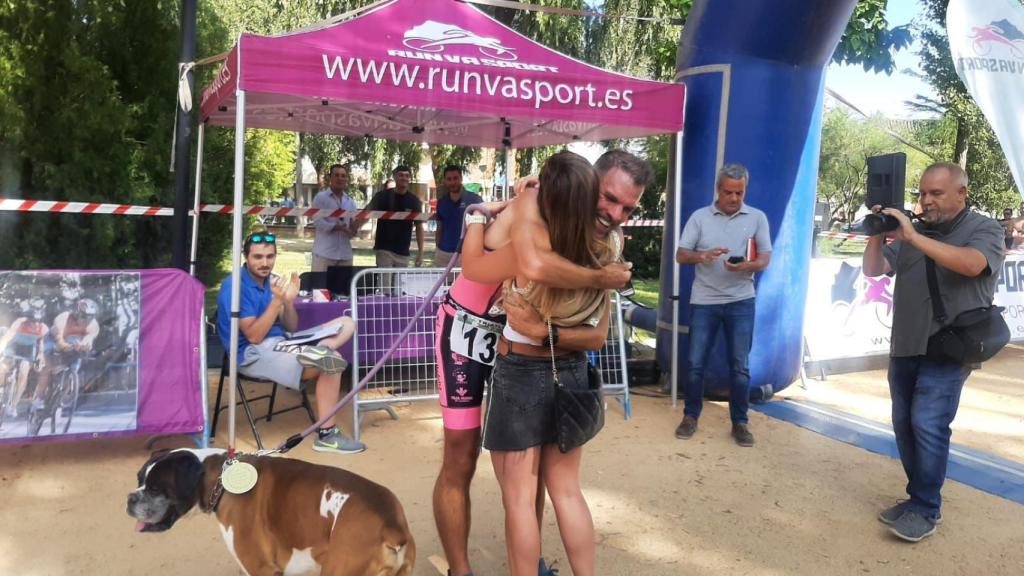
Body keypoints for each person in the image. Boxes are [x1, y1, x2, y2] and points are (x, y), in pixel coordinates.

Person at [431, 150, 649, 576]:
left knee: (527, 471)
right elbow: (522, 263)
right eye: (609, 198)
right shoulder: (539, 202)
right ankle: (461, 570)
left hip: (524, 344)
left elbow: (595, 330)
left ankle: (529, 563)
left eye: (628, 207)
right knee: (462, 456)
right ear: (589, 181)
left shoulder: (594, 235)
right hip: (469, 329)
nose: (616, 213)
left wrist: (480, 215)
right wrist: (482, 214)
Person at [862, 163, 1005, 542]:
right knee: (904, 425)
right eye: (923, 193)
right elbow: (873, 270)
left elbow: (973, 264)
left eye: (936, 194)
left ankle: (927, 507)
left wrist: (912, 236)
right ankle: (918, 497)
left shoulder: (985, 230)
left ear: (962, 193)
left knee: (927, 423)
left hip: (949, 347)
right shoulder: (915, 232)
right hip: (905, 344)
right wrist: (877, 232)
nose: (926, 201)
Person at [216, 230, 365, 454]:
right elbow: (254, 336)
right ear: (246, 257)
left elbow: (291, 326)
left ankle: (318, 351)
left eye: (270, 256)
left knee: (347, 322)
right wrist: (277, 302)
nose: (265, 263)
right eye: (258, 257)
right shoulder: (235, 286)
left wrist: (288, 302)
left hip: (283, 342)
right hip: (252, 352)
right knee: (332, 362)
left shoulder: (271, 281)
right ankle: (326, 435)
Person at [674, 162, 772, 447]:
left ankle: (740, 422)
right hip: (704, 300)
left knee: (740, 366)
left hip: (742, 300)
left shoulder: (757, 217)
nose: (733, 198)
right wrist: (702, 256)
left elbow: (765, 257)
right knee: (695, 364)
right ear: (717, 190)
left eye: (739, 193)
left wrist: (748, 266)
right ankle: (690, 416)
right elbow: (681, 254)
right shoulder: (699, 217)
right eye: (728, 192)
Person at [30, 298, 101, 414]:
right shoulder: (63, 318)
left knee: (73, 370)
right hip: (53, 340)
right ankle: (39, 398)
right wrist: (71, 347)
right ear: (77, 313)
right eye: (84, 316)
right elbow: (59, 343)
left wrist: (85, 346)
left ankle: (59, 399)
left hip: (73, 343)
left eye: (90, 317)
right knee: (48, 367)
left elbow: (88, 341)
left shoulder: (94, 326)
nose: (87, 320)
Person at [367, 166, 425, 293]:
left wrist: (421, 253)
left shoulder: (414, 201)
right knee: (384, 289)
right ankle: (383, 312)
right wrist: (354, 227)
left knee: (400, 290)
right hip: (384, 249)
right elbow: (366, 213)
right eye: (401, 175)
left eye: (406, 175)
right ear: (394, 177)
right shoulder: (382, 196)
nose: (404, 178)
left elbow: (419, 227)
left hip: (403, 252)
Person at [0, 299, 49, 418]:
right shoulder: (20, 322)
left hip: (27, 349)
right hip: (14, 345)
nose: (35, 324)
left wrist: (40, 354)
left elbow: (41, 343)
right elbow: (8, 337)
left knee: (24, 373)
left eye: (38, 321)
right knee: (4, 365)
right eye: (33, 321)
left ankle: (13, 406)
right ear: (28, 319)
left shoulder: (43, 328)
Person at [311, 164, 363, 272]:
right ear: (330, 178)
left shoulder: (350, 202)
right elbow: (318, 222)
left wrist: (355, 228)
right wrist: (337, 227)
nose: (340, 178)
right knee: (320, 288)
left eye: (343, 176)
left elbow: (353, 230)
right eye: (337, 175)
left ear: (346, 179)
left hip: (345, 255)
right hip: (324, 254)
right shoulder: (320, 198)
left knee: (344, 288)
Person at [433, 165, 483, 268]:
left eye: (455, 178)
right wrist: (438, 247)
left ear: (461, 178)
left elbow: (483, 226)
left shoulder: (475, 200)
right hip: (444, 254)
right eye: (449, 179)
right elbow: (439, 226)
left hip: (466, 254)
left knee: (466, 285)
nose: (452, 182)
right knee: (443, 284)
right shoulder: (442, 202)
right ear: (445, 181)